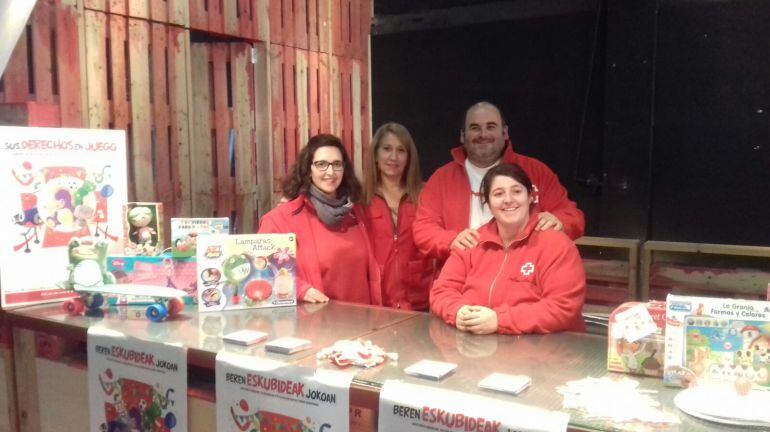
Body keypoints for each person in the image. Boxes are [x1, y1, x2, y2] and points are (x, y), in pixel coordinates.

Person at [413, 101, 584, 264]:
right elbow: (423, 229)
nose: (483, 134)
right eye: (474, 128)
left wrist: (560, 221)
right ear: (462, 136)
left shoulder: (536, 171)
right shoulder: (441, 178)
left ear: (505, 132)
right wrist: (451, 241)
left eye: (491, 127)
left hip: (523, 279)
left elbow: (572, 215)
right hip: (461, 279)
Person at [430, 163, 585, 335]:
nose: (508, 199)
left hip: (543, 354)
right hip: (477, 350)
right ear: (488, 203)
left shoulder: (556, 244)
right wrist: (458, 312)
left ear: (531, 197)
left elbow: (562, 307)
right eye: (498, 194)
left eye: (516, 191)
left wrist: (499, 320)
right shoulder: (472, 241)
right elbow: (441, 291)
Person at [258, 134, 381, 305]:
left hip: (364, 323)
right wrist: (300, 289)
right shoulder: (281, 219)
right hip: (315, 325)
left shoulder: (358, 214)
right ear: (308, 170)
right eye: (321, 164)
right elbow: (262, 269)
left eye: (337, 164)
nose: (330, 172)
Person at [363, 123, 433, 310]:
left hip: (420, 303)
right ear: (376, 155)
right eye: (387, 149)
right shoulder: (360, 198)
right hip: (376, 304)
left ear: (409, 158)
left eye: (401, 150)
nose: (393, 157)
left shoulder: (426, 194)